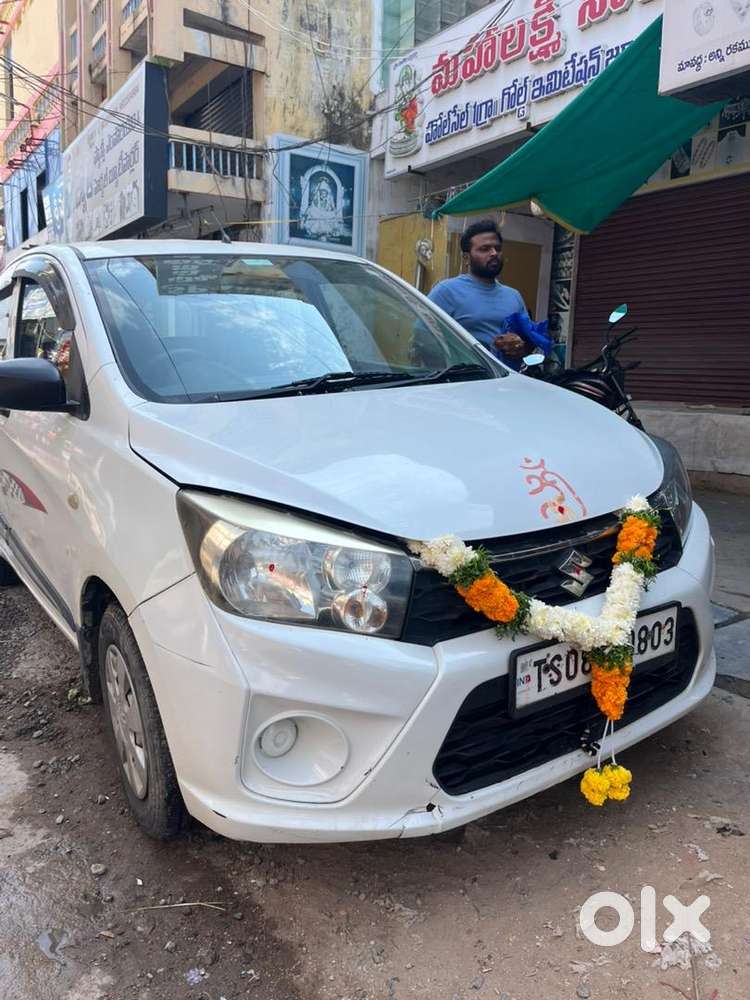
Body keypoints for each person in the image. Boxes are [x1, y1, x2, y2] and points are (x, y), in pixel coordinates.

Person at [428, 219, 539, 369]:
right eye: (485, 249)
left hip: (508, 380)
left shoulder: (513, 296)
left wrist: (518, 346)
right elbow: (423, 341)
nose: (494, 253)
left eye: (497, 248)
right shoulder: (446, 291)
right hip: (464, 379)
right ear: (466, 258)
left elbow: (529, 341)